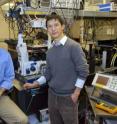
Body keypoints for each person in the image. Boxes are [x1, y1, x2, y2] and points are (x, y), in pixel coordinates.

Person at [23, 14, 89, 124]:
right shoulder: (50, 51)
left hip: (68, 98)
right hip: (52, 96)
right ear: (47, 29)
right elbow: (48, 74)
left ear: (62, 26)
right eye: (49, 26)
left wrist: (76, 93)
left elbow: (84, 71)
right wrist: (35, 83)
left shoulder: (74, 47)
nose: (53, 29)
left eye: (56, 25)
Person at [0, 46, 28, 124]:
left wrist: (1, 90)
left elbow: (9, 77)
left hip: (1, 96)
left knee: (22, 120)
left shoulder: (5, 55)